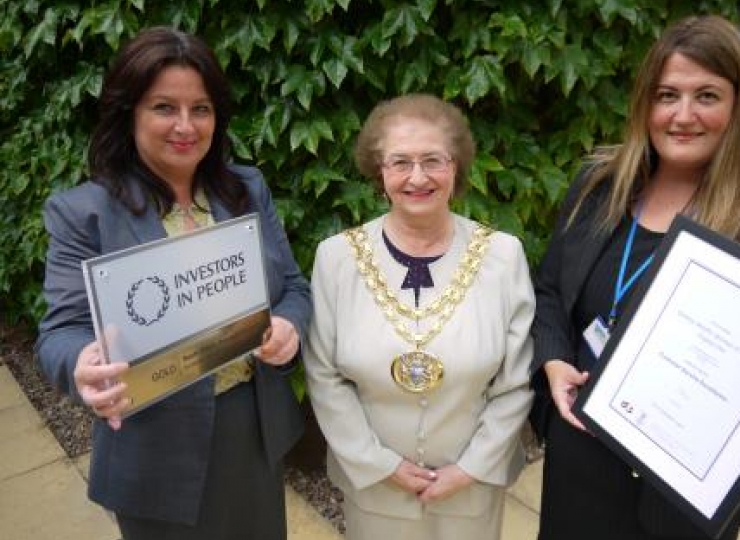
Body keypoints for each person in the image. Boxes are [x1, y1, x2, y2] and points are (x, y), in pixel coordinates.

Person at [530, 15, 740, 540]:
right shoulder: (599, 185)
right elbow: (550, 292)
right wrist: (554, 361)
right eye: (667, 95)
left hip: (683, 507)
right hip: (580, 467)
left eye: (707, 96)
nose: (683, 115)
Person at [35, 27, 310, 540]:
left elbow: (294, 287)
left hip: (253, 431)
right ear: (130, 113)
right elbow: (59, 333)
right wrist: (82, 364)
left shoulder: (246, 189)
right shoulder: (84, 213)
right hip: (155, 449)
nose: (185, 126)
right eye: (164, 107)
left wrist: (290, 327)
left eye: (200, 109)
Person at [304, 93, 535, 540]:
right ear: (379, 171)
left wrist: (470, 469)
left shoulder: (504, 257)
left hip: (470, 490)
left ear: (456, 166)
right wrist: (379, 464)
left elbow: (516, 382)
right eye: (400, 162)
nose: (417, 177)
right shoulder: (335, 259)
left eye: (433, 160)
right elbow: (324, 375)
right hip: (375, 490)